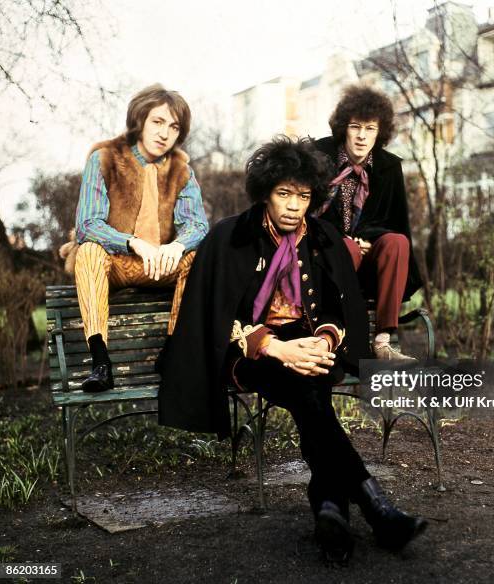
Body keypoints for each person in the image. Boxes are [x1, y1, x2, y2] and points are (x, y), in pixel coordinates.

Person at [158, 136, 426, 563]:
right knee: (307, 391)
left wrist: (322, 342)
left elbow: (342, 308)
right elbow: (211, 314)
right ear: (266, 192)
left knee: (310, 393)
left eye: (303, 196)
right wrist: (276, 349)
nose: (293, 206)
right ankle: (375, 505)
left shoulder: (323, 238)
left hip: (312, 349)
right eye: (284, 193)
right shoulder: (231, 236)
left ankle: (330, 508)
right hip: (252, 357)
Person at [71, 83, 208, 392]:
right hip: (118, 262)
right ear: (140, 121)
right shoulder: (104, 158)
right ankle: (101, 363)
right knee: (88, 251)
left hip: (160, 265)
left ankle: (172, 354)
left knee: (199, 256)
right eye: (157, 122)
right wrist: (132, 242)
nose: (165, 133)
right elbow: (87, 225)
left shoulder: (182, 170)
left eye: (174, 127)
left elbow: (197, 225)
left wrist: (177, 245)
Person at [314, 85, 422, 360]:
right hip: (325, 260)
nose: (362, 136)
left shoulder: (389, 167)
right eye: (355, 127)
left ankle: (384, 340)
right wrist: (344, 241)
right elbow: (305, 211)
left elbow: (397, 222)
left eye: (370, 129)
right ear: (344, 128)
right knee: (346, 249)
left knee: (398, 242)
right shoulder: (318, 155)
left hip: (371, 265)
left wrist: (370, 239)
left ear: (380, 132)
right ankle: (342, 336)